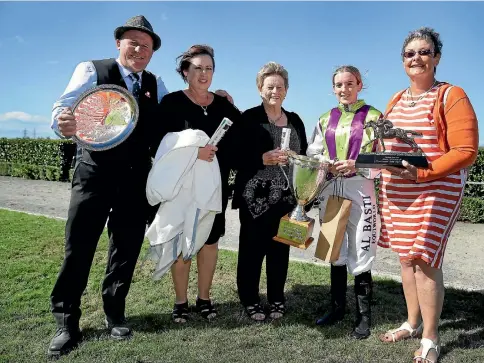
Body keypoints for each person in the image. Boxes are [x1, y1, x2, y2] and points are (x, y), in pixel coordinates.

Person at [47, 15, 168, 358]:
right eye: (133, 42)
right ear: (119, 43)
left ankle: (115, 313)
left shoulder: (156, 85)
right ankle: (66, 321)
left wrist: (215, 100)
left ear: (152, 53)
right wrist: (63, 123)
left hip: (134, 179)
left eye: (146, 46)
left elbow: (173, 121)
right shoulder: (91, 70)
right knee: (78, 247)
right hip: (93, 173)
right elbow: (64, 107)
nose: (139, 49)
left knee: (125, 249)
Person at [377, 27, 478, 363]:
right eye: (409, 54)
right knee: (406, 258)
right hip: (399, 188)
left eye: (424, 52)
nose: (416, 58)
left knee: (424, 260)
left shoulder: (452, 94)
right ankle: (412, 322)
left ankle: (431, 338)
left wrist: (424, 171)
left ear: (436, 58)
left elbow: (465, 150)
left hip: (437, 187)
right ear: (403, 61)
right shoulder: (394, 99)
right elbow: (387, 143)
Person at [155, 45, 242, 323]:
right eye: (198, 68)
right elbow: (159, 147)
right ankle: (180, 302)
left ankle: (204, 298)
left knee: (209, 242)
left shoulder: (223, 105)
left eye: (209, 68)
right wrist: (194, 153)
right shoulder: (170, 103)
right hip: (182, 189)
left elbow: (242, 137)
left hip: (214, 189)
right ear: (185, 72)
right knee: (183, 243)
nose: (204, 74)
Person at [306, 65, 382, 339]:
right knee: (334, 251)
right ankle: (337, 308)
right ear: (333, 88)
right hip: (332, 190)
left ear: (359, 84)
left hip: (361, 190)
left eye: (350, 83)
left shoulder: (374, 116)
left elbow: (384, 157)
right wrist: (325, 163)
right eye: (339, 85)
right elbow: (313, 152)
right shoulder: (325, 118)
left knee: (361, 251)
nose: (344, 89)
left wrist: (356, 163)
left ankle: (363, 318)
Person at [233, 62, 308, 321]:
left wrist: (295, 158)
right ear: (259, 89)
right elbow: (233, 155)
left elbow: (305, 157)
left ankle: (277, 297)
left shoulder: (296, 120)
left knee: (279, 252)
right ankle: (250, 299)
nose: (275, 90)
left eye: (279, 86)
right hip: (254, 199)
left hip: (286, 199)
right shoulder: (248, 118)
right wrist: (261, 158)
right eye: (269, 86)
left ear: (286, 90)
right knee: (251, 253)